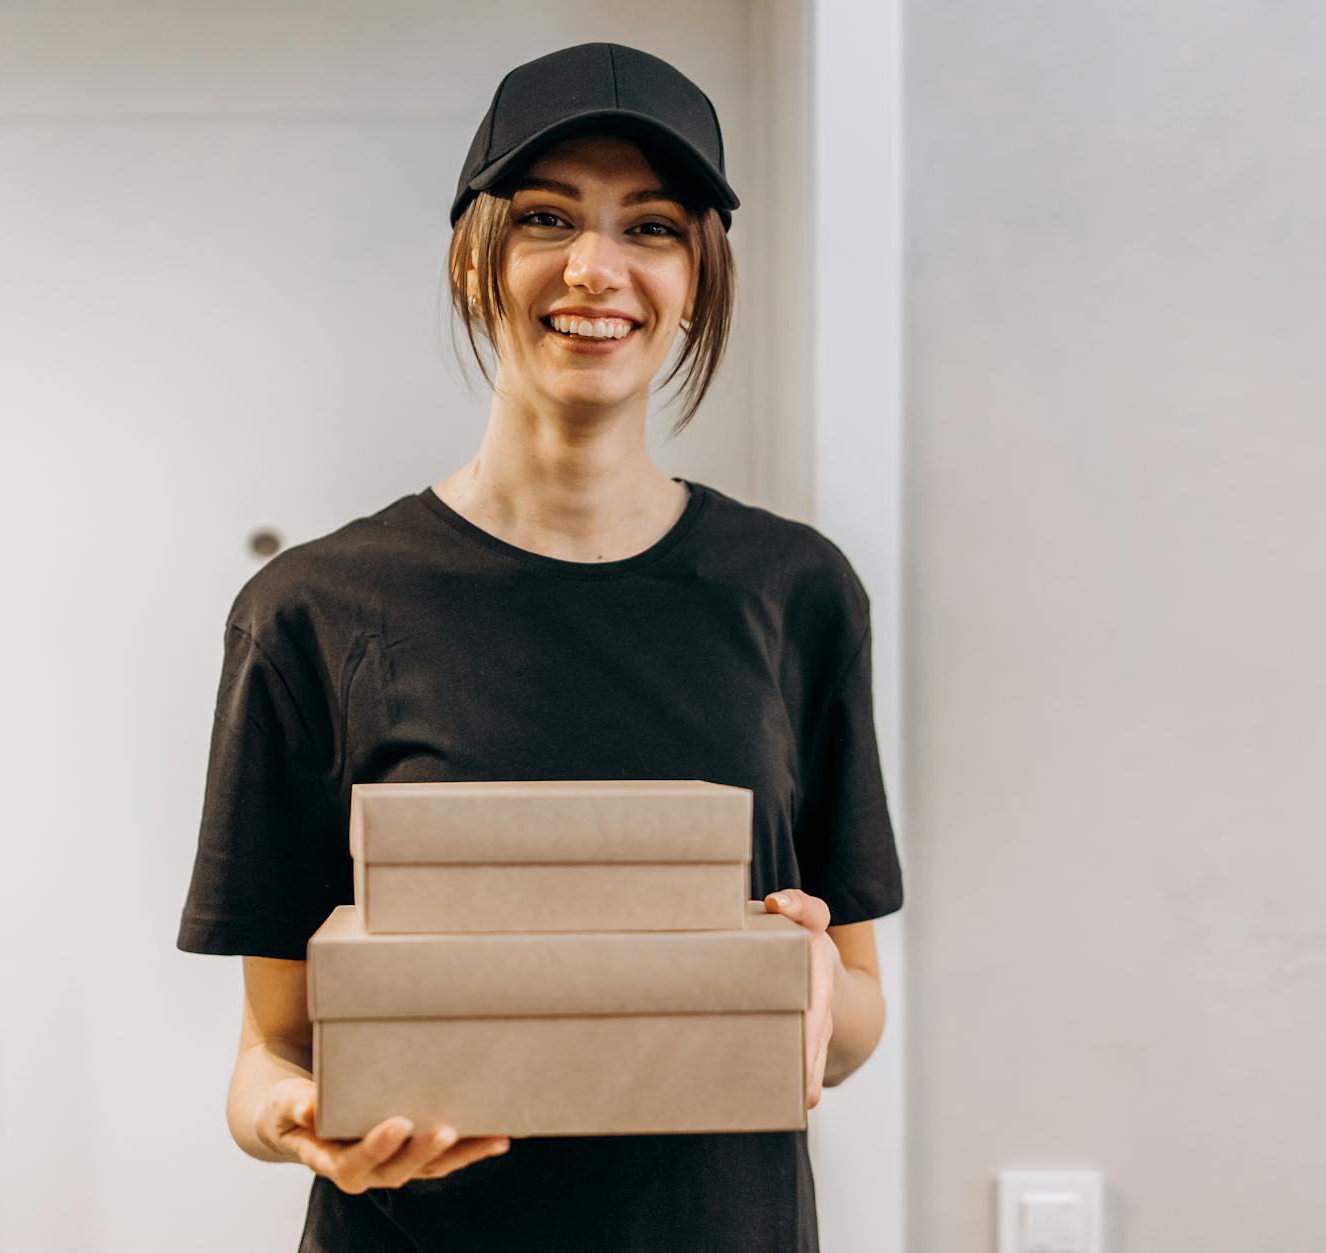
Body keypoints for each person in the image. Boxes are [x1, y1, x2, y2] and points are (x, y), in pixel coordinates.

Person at [175, 41, 906, 1253]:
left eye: (651, 227)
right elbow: (273, 1048)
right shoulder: (313, 610)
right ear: (476, 262)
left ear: (697, 278)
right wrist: (301, 1121)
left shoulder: (794, 592)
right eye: (546, 217)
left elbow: (859, 1003)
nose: (594, 267)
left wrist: (813, 996)